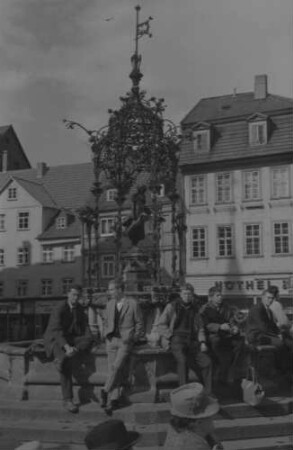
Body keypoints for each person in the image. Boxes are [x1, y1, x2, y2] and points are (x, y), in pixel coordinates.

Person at [44, 284, 93, 413]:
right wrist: (66, 347)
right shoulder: (59, 307)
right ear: (68, 294)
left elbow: (86, 328)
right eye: (73, 295)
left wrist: (80, 345)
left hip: (71, 339)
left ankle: (67, 355)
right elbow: (56, 330)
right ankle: (68, 400)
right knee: (66, 366)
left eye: (78, 295)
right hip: (56, 339)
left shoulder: (80, 309)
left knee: (89, 339)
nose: (75, 298)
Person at [156, 283, 212, 394]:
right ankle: (183, 392)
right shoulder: (172, 306)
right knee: (183, 361)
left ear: (192, 295)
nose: (187, 296)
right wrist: (170, 336)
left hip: (192, 341)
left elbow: (200, 328)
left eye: (189, 294)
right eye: (185, 294)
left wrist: (202, 342)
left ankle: (208, 392)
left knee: (207, 362)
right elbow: (161, 324)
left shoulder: (196, 309)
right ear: (181, 295)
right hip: (176, 339)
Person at [101, 279, 144, 415]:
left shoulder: (132, 304)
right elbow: (106, 321)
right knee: (113, 370)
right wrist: (106, 335)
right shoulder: (109, 304)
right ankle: (111, 402)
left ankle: (105, 391)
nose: (110, 292)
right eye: (109, 289)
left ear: (120, 290)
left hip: (125, 341)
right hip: (111, 340)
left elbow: (140, 324)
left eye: (112, 289)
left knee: (116, 367)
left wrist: (133, 338)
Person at [200, 286, 246, 385]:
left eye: (221, 295)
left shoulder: (226, 308)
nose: (220, 297)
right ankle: (220, 366)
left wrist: (234, 328)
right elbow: (205, 325)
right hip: (213, 336)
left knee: (239, 342)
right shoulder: (205, 309)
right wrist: (219, 327)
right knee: (216, 341)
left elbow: (231, 320)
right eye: (218, 295)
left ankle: (231, 368)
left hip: (226, 335)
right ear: (211, 297)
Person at [163, 382, 224, 450]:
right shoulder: (195, 446)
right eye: (210, 415)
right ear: (198, 422)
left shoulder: (177, 428)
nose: (213, 418)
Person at [246, 289, 293, 373]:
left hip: (265, 334)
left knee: (289, 341)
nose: (270, 300)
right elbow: (262, 327)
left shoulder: (269, 310)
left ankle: (288, 368)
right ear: (262, 297)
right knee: (280, 343)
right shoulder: (256, 309)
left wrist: (279, 333)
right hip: (256, 336)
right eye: (268, 298)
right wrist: (277, 336)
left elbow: (273, 326)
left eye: (272, 298)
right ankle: (282, 369)